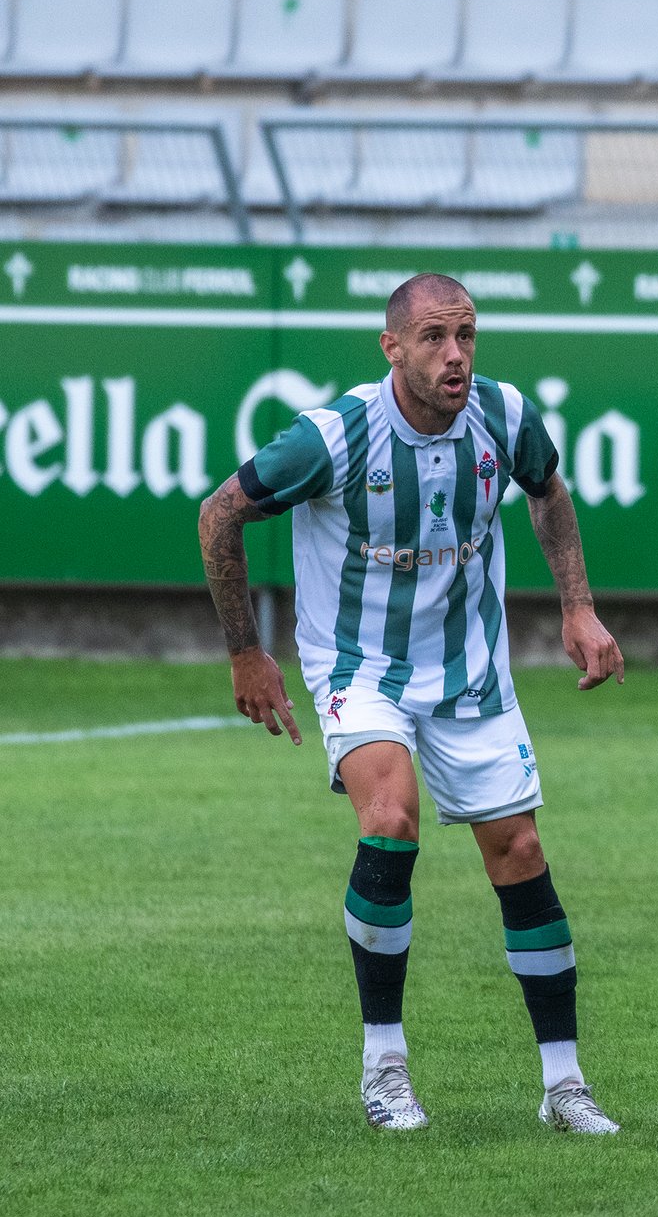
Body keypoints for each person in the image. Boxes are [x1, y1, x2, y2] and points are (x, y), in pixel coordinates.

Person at [197, 273, 627, 1135]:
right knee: (390, 817)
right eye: (433, 337)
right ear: (391, 347)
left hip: (469, 668)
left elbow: (547, 490)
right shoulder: (335, 434)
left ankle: (564, 1084)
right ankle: (384, 1067)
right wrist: (247, 649)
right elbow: (220, 513)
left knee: (521, 850)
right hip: (361, 664)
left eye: (466, 333)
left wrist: (577, 605)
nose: (456, 354)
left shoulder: (503, 414)